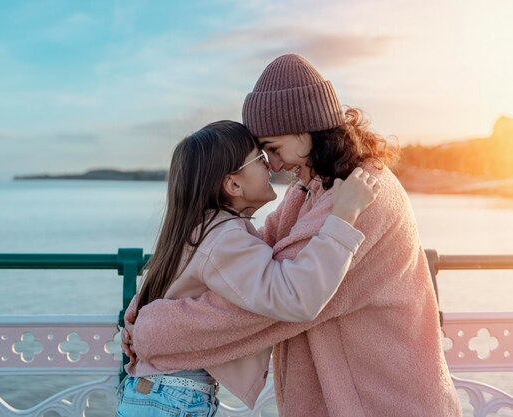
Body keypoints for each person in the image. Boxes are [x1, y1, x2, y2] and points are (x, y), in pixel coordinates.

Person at [124, 54, 462, 417]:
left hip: (383, 398)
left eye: (272, 148)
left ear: (307, 129)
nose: (275, 165)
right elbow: (254, 264)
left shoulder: (360, 195)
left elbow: (270, 306)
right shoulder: (310, 191)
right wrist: (140, 312)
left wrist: (151, 329)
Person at [116, 119, 380, 417]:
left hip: (157, 392)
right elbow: (293, 297)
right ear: (234, 184)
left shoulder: (201, 229)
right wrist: (343, 218)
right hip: (175, 397)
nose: (272, 166)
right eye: (261, 157)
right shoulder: (226, 239)